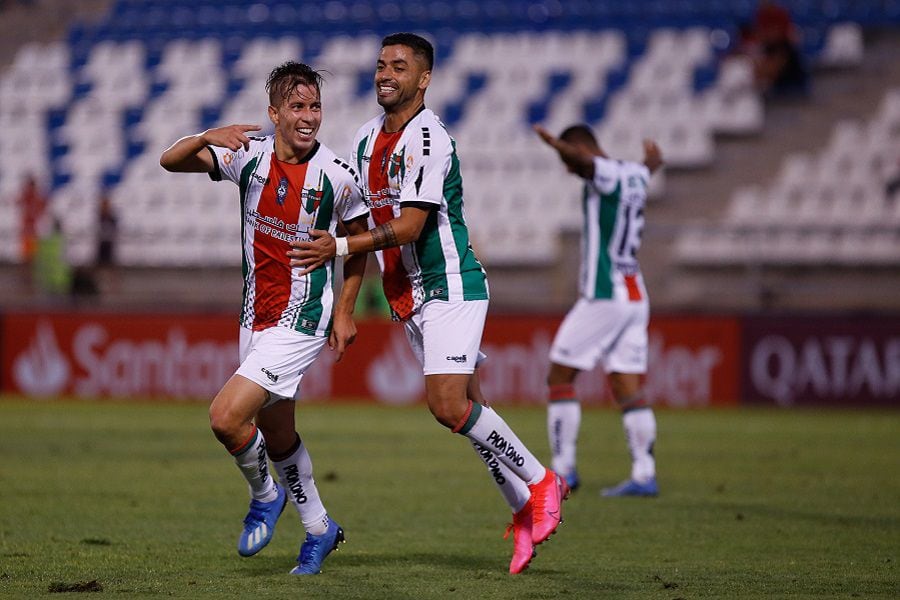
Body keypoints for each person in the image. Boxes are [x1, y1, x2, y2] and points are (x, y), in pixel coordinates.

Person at [289, 33, 567, 575]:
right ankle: (523, 515)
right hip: (411, 297)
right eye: (380, 65)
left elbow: (411, 226)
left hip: (452, 285)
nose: (384, 74)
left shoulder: (430, 139)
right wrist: (345, 309)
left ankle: (540, 481)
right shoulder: (366, 139)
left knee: (447, 406)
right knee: (474, 413)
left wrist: (340, 246)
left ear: (425, 79)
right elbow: (358, 221)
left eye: (399, 66)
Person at [159, 61, 370, 575]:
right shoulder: (247, 158)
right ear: (273, 113)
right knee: (277, 436)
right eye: (297, 106)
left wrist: (344, 310)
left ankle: (265, 495)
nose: (308, 117)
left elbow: (359, 244)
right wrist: (207, 135)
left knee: (226, 417)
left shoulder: (338, 176)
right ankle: (320, 529)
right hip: (255, 319)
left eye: (315, 106)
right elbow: (171, 161)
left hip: (302, 319)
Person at [533, 123, 663, 498]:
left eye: (569, 160)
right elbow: (647, 167)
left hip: (605, 296)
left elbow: (585, 163)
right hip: (635, 295)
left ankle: (563, 472)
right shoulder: (635, 174)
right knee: (627, 387)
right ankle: (644, 474)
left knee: (559, 376)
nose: (568, 168)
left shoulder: (602, 173)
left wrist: (556, 145)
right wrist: (652, 161)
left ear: (581, 150)